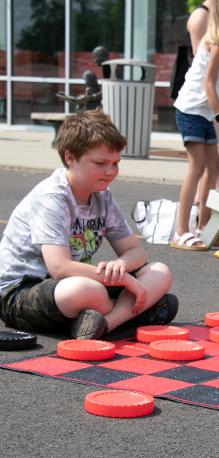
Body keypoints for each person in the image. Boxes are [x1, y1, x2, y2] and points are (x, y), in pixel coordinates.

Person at [0, 109, 178, 339]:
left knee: (160, 272)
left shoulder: (102, 195)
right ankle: (132, 312)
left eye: (115, 163)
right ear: (70, 158)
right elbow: (59, 267)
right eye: (101, 163)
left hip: (71, 283)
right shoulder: (52, 196)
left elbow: (136, 251)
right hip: (20, 292)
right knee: (87, 290)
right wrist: (125, 279)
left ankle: (102, 324)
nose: (110, 171)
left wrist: (120, 265)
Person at [172, 0, 219, 251]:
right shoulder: (218, 41)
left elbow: (214, 83)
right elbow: (207, 84)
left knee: (213, 166)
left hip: (203, 109)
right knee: (198, 166)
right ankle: (181, 231)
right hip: (192, 109)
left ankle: (204, 228)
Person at [187, 0, 219, 191]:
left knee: (216, 156)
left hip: (212, 93)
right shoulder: (202, 16)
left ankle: (213, 194)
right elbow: (201, 63)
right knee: (199, 166)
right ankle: (215, 191)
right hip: (198, 101)